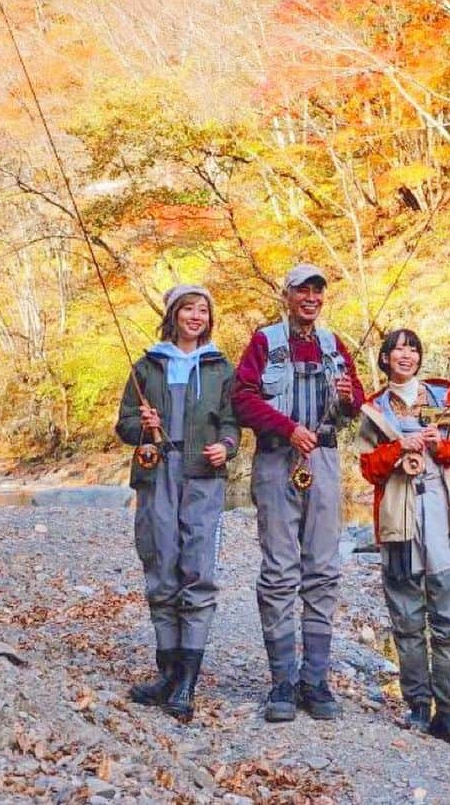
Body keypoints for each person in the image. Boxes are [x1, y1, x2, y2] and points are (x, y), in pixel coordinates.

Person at [232, 262, 366, 722]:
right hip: (275, 460)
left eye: (317, 292)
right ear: (286, 295)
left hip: (324, 461)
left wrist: (349, 396)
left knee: (324, 569)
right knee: (278, 571)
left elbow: (356, 407)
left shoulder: (334, 345)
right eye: (302, 291)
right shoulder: (264, 342)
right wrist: (288, 429)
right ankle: (282, 682)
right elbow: (242, 398)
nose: (310, 298)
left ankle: (316, 680)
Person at [115, 284, 239, 722]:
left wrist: (227, 445)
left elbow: (232, 422)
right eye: (188, 308)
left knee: (198, 572)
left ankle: (188, 680)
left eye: (203, 310)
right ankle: (166, 672)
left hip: (204, 477)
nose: (196, 316)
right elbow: (124, 425)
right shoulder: (147, 366)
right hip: (156, 474)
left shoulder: (222, 367)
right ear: (173, 314)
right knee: (160, 567)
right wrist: (141, 424)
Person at [358, 328, 450, 746]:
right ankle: (416, 707)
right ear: (386, 359)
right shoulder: (374, 410)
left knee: (448, 623)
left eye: (413, 349)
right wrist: (398, 448)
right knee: (407, 622)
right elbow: (368, 468)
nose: (406, 356)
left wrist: (437, 446)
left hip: (442, 521)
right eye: (397, 350)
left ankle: (449, 714)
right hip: (397, 525)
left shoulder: (443, 401)